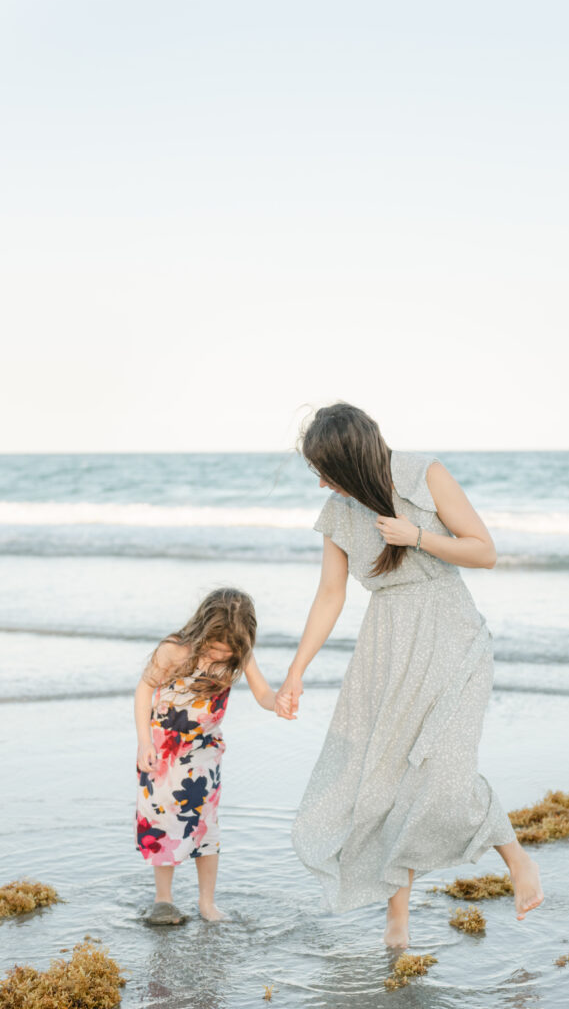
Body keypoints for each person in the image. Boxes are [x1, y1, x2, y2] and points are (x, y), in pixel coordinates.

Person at [275, 402, 544, 947]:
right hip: (386, 646)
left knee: (445, 774)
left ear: (351, 459)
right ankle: (397, 915)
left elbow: (484, 551)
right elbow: (330, 594)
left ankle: (516, 859)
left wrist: (417, 536)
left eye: (326, 469)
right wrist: (296, 671)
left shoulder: (425, 474)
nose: (322, 482)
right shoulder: (337, 511)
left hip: (451, 638)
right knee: (382, 780)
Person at [134, 587, 276, 923]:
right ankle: (163, 899)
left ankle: (207, 903)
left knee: (206, 826)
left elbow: (263, 693)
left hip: (205, 753)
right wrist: (144, 742)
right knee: (162, 821)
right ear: (201, 631)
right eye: (213, 649)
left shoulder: (240, 654)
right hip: (163, 752)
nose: (217, 657)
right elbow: (144, 690)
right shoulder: (174, 650)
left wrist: (279, 702)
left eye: (226, 654)